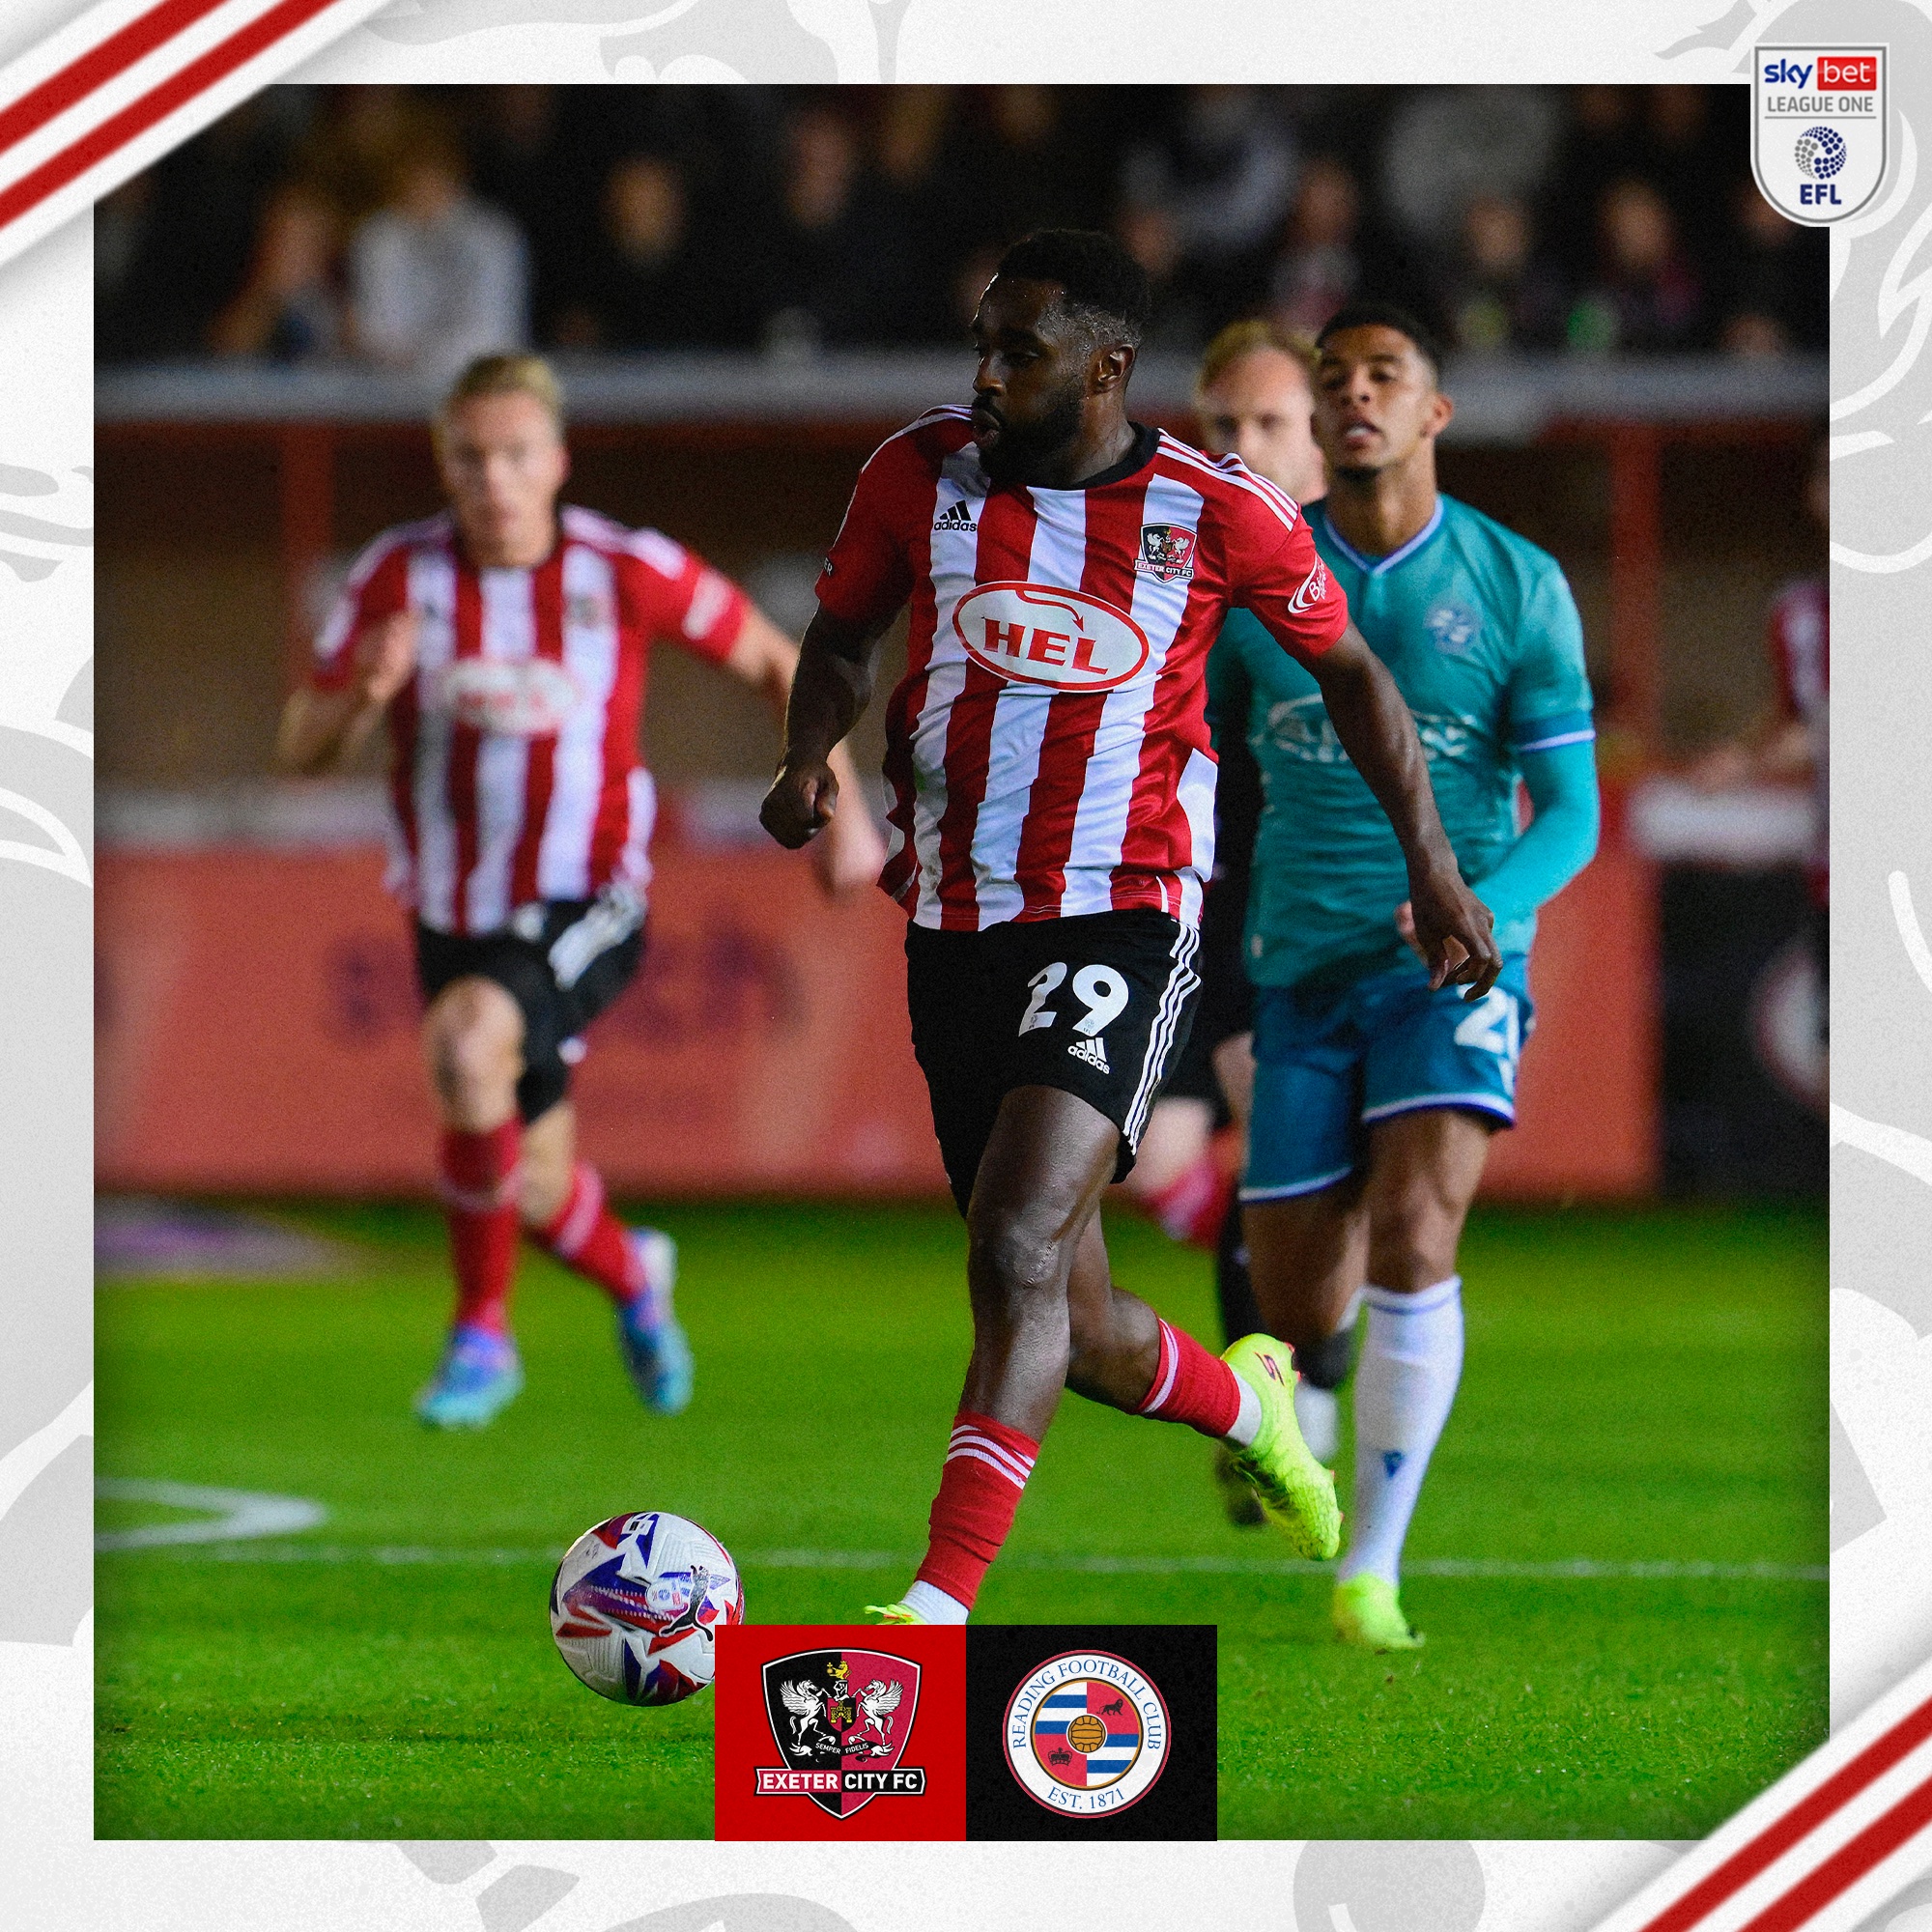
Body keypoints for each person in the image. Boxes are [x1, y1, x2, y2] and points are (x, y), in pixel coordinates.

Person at [759, 232, 1499, 1626]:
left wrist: (1438, 869)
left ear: (1106, 367)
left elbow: (1353, 676)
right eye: (982, 343)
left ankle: (935, 1607)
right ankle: (1250, 1403)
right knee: (1081, 1326)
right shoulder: (915, 474)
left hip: (1123, 913)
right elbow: (848, 632)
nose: (985, 374)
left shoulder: (1217, 512)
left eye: (1017, 351)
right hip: (954, 917)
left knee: (1017, 1244)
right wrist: (813, 755)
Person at [276, 353, 884, 1429]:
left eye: (515, 454)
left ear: (554, 460)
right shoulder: (395, 576)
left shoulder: (621, 568)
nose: (493, 478)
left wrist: (843, 798)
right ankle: (634, 1273)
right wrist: (362, 696)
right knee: (539, 1186)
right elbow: (300, 744)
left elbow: (769, 654)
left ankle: (480, 1332)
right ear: (443, 463)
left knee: (468, 1049)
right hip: (451, 911)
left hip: (587, 894)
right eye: (470, 456)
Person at [1211, 299, 1600, 1650]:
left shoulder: (1515, 583)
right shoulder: (1249, 588)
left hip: (1455, 968)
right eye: (1337, 381)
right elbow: (1186, 768)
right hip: (1301, 969)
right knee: (1301, 1310)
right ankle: (1273, 1404)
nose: (1356, 396)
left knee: (1422, 1229)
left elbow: (1573, 812)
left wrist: (1475, 908)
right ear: (1319, 429)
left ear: (1435, 412)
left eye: (1387, 376)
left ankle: (1370, 1573)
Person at [1132, 320, 1333, 1523]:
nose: (1243, 445)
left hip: (1293, 903)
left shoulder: (1346, 571)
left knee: (1268, 1120)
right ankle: (1310, 1278)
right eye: (1224, 424)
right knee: (1153, 1164)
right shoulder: (1166, 559)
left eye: (1269, 423)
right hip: (1173, 897)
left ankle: (1296, 1404)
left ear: (1320, 436)